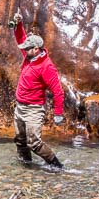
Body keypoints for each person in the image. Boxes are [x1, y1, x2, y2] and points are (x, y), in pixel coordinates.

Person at [10, 12, 65, 169]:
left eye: (27, 49)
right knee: (20, 140)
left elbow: (58, 91)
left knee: (34, 142)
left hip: (33, 109)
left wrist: (58, 114)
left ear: (36, 49)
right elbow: (21, 38)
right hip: (20, 107)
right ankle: (26, 166)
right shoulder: (29, 56)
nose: (24, 50)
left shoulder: (46, 67)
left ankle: (57, 166)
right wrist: (18, 24)